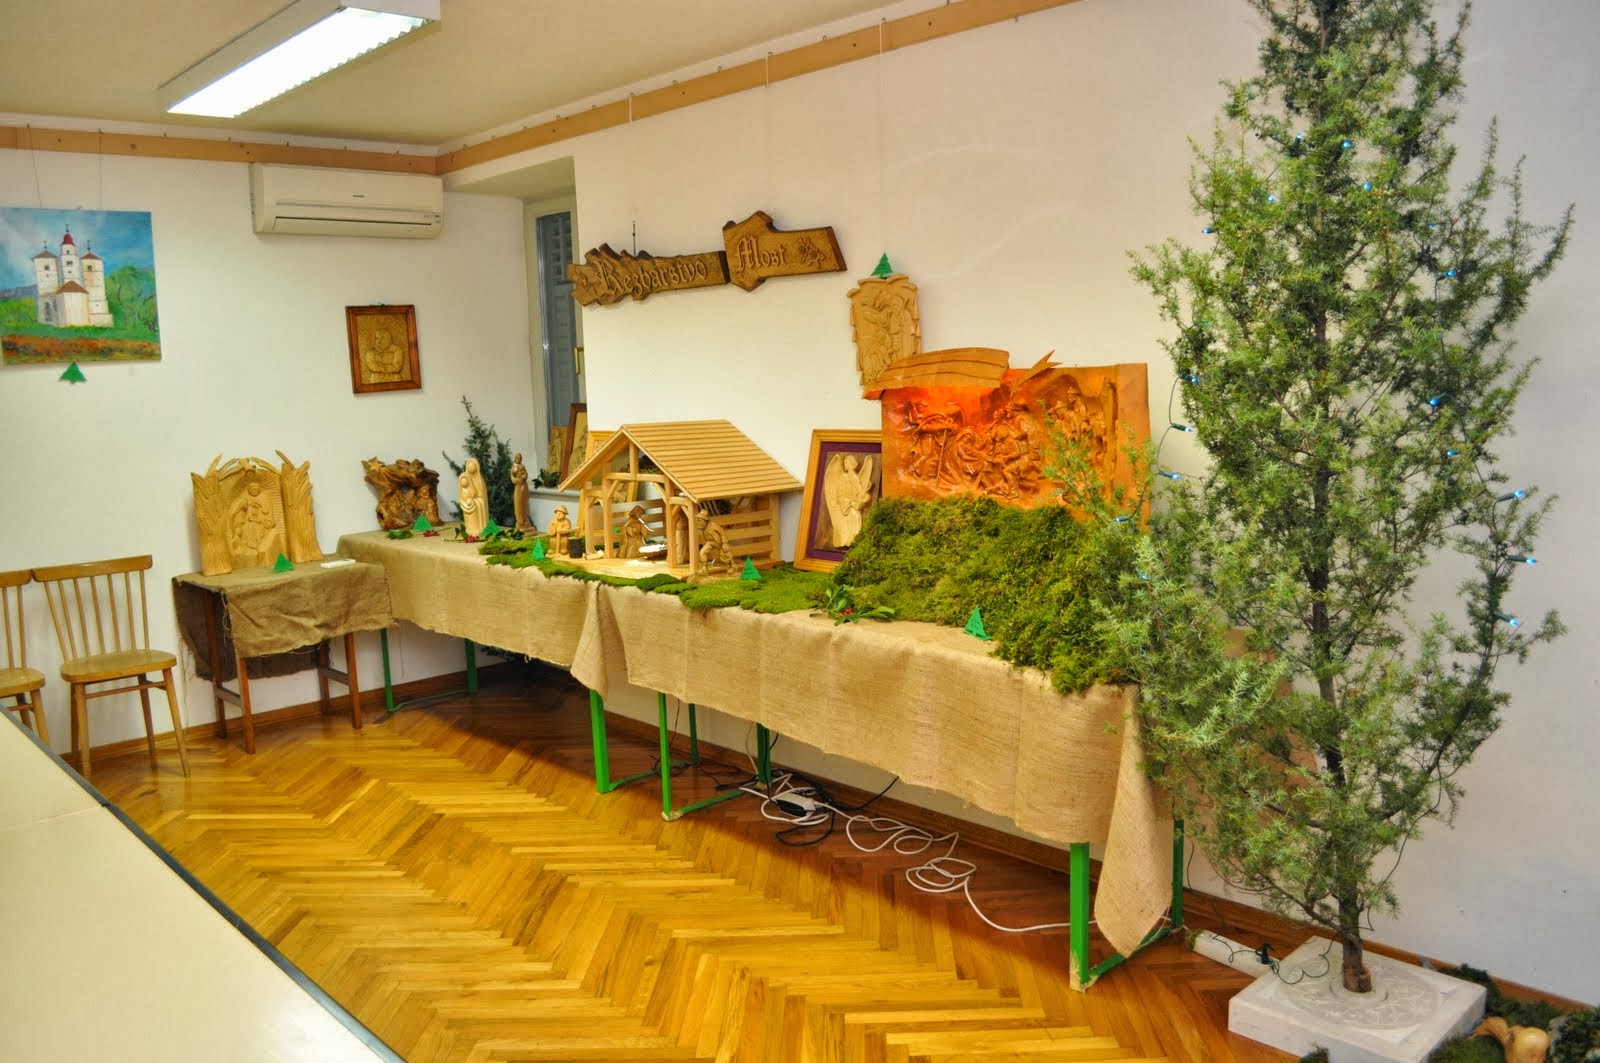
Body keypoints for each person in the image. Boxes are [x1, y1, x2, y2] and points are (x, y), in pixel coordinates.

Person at [823, 452, 874, 548]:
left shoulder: (856, 478)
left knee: (856, 516)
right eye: (844, 463)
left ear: (851, 464)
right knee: (851, 516)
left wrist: (864, 495)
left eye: (846, 463)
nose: (845, 465)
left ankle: (854, 541)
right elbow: (840, 494)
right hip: (846, 505)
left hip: (855, 504)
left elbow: (859, 492)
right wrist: (849, 503)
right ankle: (846, 541)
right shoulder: (843, 477)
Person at [459, 457, 488, 538]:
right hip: (468, 503)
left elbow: (481, 495)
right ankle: (470, 528)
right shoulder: (465, 477)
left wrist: (474, 500)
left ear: (476, 467)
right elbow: (461, 493)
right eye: (469, 466)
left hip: (477, 503)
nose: (470, 468)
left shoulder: (479, 480)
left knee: (476, 504)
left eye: (472, 466)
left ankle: (480, 528)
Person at [510, 452, 532, 530]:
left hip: (524, 486)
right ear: (515, 458)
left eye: (520, 458)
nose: (519, 459)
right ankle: (520, 520)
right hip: (518, 486)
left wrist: (524, 476)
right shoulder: (514, 467)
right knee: (518, 502)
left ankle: (525, 519)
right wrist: (516, 480)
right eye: (517, 458)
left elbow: (526, 474)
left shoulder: (522, 466)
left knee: (524, 503)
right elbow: (512, 476)